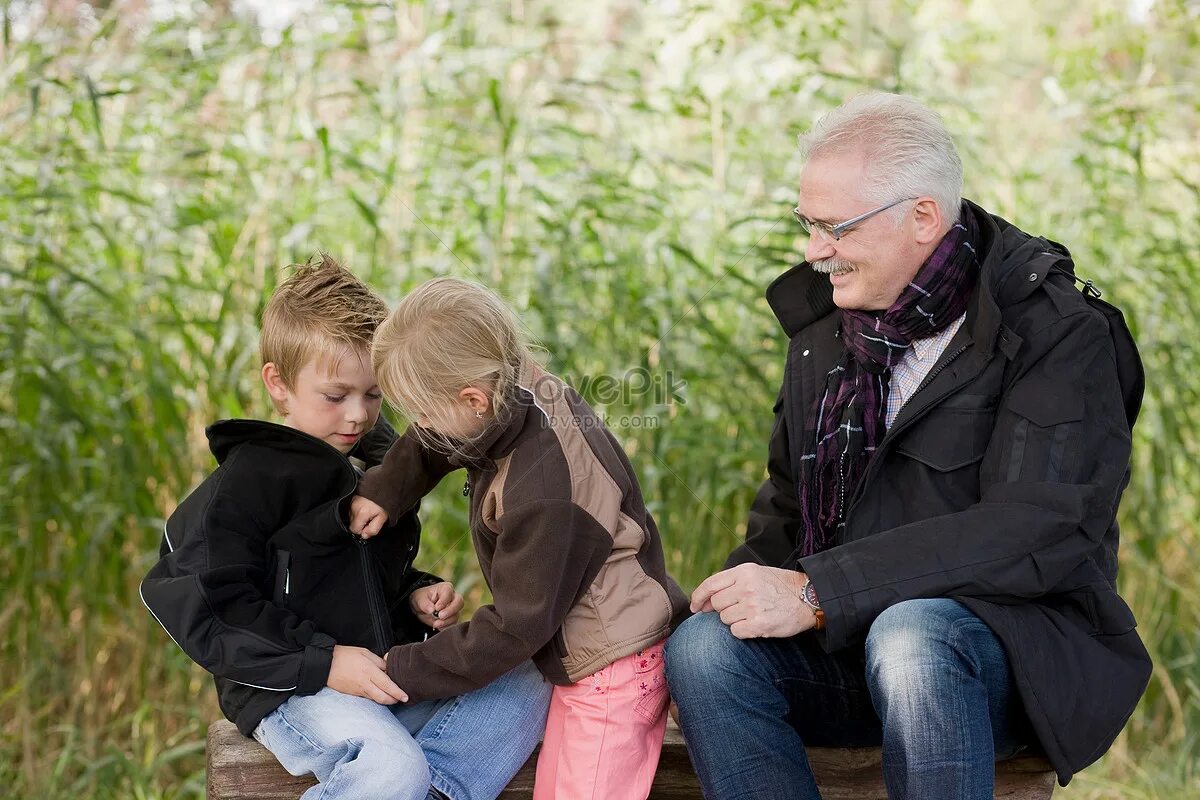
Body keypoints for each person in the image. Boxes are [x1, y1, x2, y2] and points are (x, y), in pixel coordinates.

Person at [663, 92, 1151, 799]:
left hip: (1003, 653)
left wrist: (820, 590)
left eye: (835, 227)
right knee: (704, 650)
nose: (813, 251)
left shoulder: (1053, 330)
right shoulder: (825, 333)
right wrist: (734, 596)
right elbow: (786, 508)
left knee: (913, 636)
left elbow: (1035, 529)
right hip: (848, 648)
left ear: (922, 217)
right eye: (807, 224)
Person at [141, 255, 551, 800]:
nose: (357, 416)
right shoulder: (249, 481)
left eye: (373, 395)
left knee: (533, 675)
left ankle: (429, 792)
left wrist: (413, 595)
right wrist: (323, 662)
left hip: (383, 677)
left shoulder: (378, 471)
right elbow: (204, 604)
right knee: (390, 770)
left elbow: (359, 579)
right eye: (335, 397)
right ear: (280, 385)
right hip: (296, 691)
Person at [349, 277, 690, 800]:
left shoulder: (544, 491)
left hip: (611, 674)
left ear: (473, 398)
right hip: (592, 655)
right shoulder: (520, 388)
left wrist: (399, 667)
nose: (419, 426)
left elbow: (514, 628)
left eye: (422, 413)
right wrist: (386, 490)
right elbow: (444, 435)